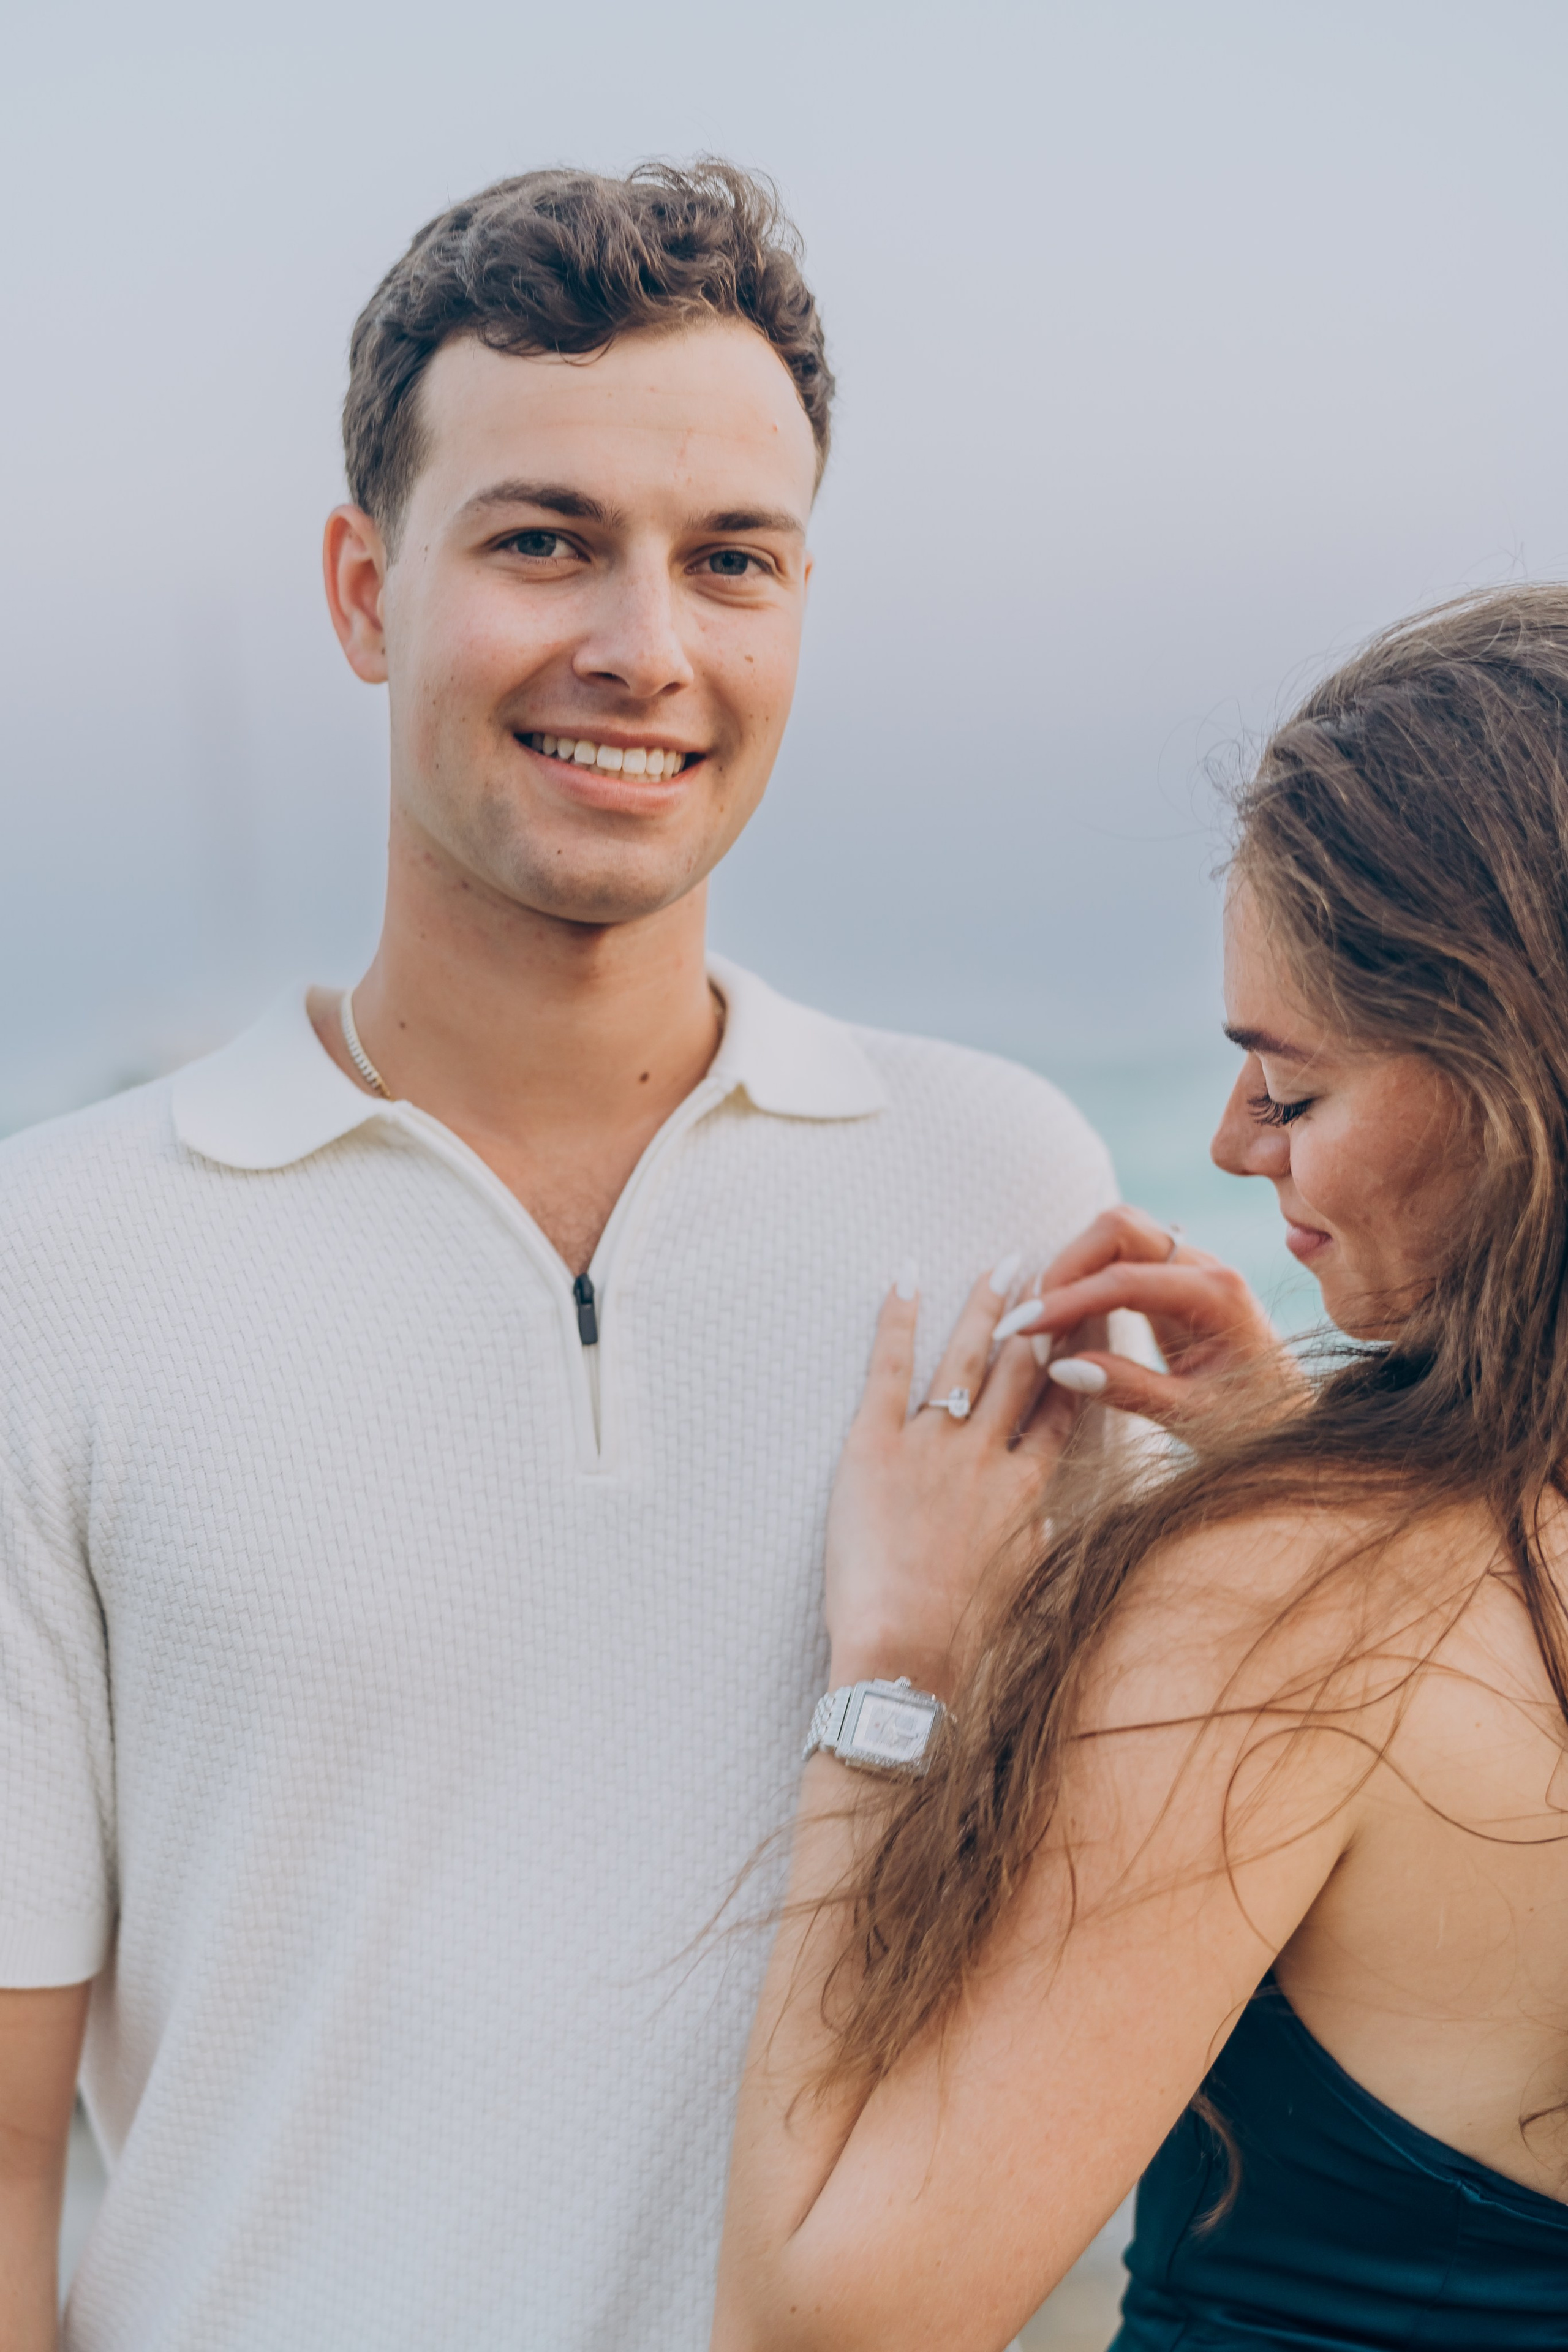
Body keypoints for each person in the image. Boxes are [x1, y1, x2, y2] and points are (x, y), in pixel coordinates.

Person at [0, 164, 1130, 2350]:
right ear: (364, 590)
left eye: (734, 564)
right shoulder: (56, 1265)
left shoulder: (1003, 1187)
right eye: (544, 542)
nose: (647, 649)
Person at [714, 584, 1568, 2352]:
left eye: (1293, 1084)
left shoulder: (1293, 1612)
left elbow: (825, 2327)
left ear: (1509, 1082)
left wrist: (898, 1674)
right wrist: (1303, 1466)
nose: (1230, 1141)